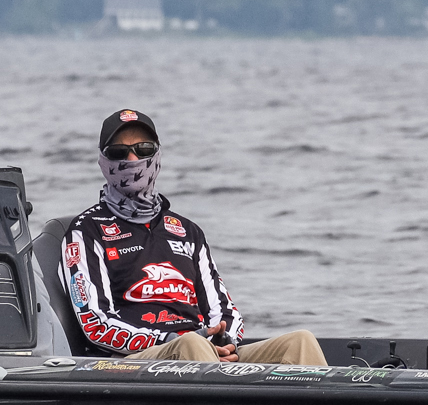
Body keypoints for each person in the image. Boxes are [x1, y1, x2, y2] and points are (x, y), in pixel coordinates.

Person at [59, 108, 326, 365]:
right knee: (191, 345)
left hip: (204, 350)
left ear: (157, 155)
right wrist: (171, 339)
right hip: (131, 361)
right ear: (104, 162)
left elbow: (224, 309)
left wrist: (226, 341)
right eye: (119, 152)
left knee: (301, 341)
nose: (132, 160)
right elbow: (95, 323)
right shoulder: (86, 231)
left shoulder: (188, 231)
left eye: (143, 150)